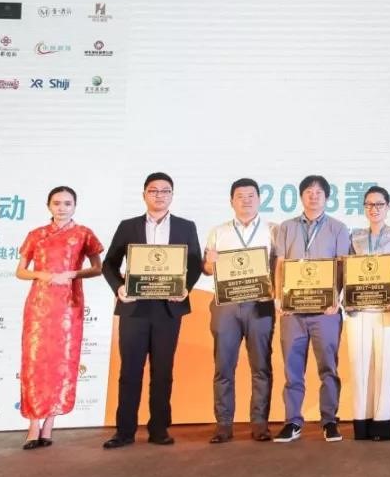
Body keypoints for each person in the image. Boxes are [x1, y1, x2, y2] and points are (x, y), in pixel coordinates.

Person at [100, 172, 204, 449]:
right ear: (144, 194)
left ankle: (159, 429)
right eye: (153, 190)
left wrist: (186, 287)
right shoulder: (128, 226)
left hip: (168, 309)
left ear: (172, 195)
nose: (159, 195)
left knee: (163, 371)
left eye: (165, 191)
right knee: (130, 371)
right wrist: (119, 288)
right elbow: (109, 264)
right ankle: (124, 432)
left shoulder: (185, 226)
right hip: (134, 308)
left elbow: (195, 263)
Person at [15, 186, 103, 450]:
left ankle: (49, 424)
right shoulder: (36, 235)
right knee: (34, 362)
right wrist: (40, 274)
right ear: (48, 206)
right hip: (39, 306)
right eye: (57, 203)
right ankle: (33, 425)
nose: (62, 208)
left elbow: (97, 268)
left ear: (75, 206)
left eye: (67, 203)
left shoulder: (84, 234)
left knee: (61, 361)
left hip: (68, 306)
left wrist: (73, 274)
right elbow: (20, 271)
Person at [272, 175, 351, 444]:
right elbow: (280, 264)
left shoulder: (338, 228)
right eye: (308, 191)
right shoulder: (286, 227)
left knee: (328, 367)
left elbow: (342, 266)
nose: (313, 196)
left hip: (325, 311)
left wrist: (336, 299)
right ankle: (293, 422)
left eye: (318, 192)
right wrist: (279, 298)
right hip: (292, 312)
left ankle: (329, 420)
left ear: (327, 197)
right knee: (292, 368)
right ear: (301, 196)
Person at [202, 178, 277, 443]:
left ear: (259, 199)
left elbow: (279, 267)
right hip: (226, 305)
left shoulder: (273, 231)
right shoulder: (218, 232)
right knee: (223, 366)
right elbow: (207, 269)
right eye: (240, 196)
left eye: (251, 196)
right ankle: (223, 424)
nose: (246, 200)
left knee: (261, 366)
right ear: (231, 201)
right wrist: (209, 263)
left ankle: (259, 423)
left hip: (260, 304)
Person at [347, 186, 390, 441]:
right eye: (369, 204)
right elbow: (347, 272)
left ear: (388, 206)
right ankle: (361, 422)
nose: (374, 209)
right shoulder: (354, 236)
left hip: (387, 308)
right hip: (359, 309)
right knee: (359, 366)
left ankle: (384, 422)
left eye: (379, 204)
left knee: (387, 364)